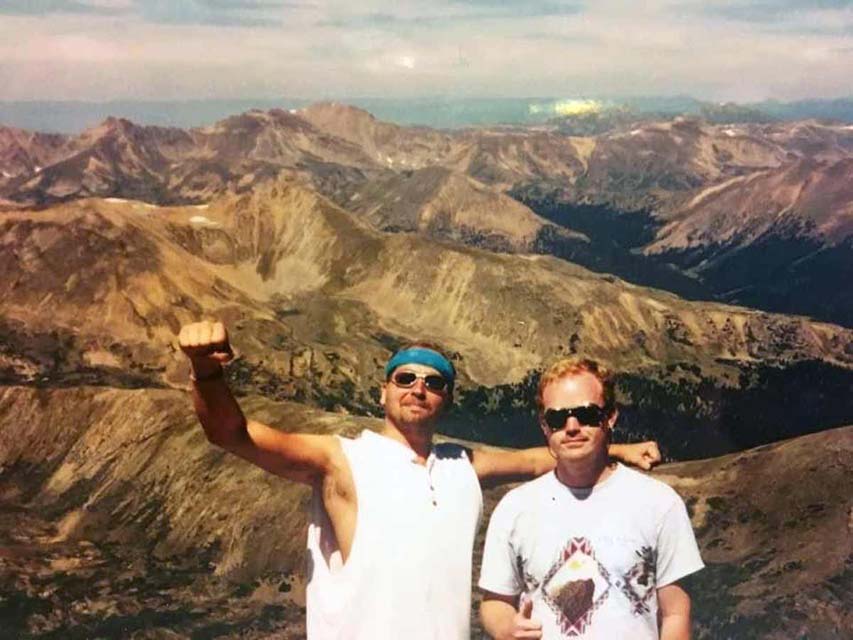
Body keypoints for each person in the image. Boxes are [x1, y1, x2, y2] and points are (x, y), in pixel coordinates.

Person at [178, 321, 662, 640]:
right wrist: (205, 371)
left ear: (446, 400)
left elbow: (537, 460)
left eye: (434, 382)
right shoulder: (340, 459)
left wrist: (617, 449)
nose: (419, 388)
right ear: (383, 390)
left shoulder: (461, 466)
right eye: (406, 377)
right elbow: (231, 434)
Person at [479, 358, 703, 640]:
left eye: (586, 415)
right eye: (557, 419)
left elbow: (675, 615)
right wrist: (505, 627)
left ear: (610, 417)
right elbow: (495, 601)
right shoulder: (515, 508)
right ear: (545, 426)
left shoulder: (659, 504)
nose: (571, 427)